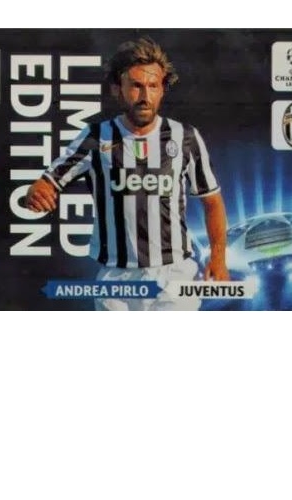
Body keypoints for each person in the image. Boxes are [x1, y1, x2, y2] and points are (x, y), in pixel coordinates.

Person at [24, 36, 229, 311]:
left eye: (153, 86)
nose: (145, 96)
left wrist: (218, 258)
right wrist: (37, 192)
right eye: (136, 86)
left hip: (174, 274)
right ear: (117, 89)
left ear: (162, 89)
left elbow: (212, 201)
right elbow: (46, 183)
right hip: (116, 279)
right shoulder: (95, 137)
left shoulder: (185, 137)